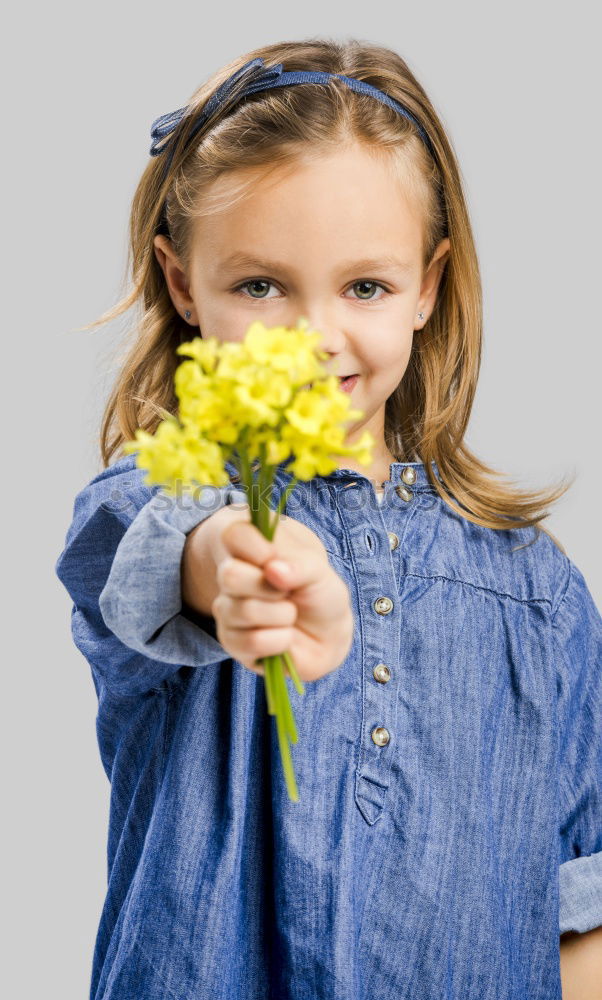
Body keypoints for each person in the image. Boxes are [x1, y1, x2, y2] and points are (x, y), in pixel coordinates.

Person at [55, 39, 602, 1000]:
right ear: (184, 285)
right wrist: (238, 566)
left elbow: (582, 905)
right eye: (260, 286)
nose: (314, 338)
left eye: (366, 286)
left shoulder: (539, 592)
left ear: (428, 287)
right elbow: (153, 551)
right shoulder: (158, 500)